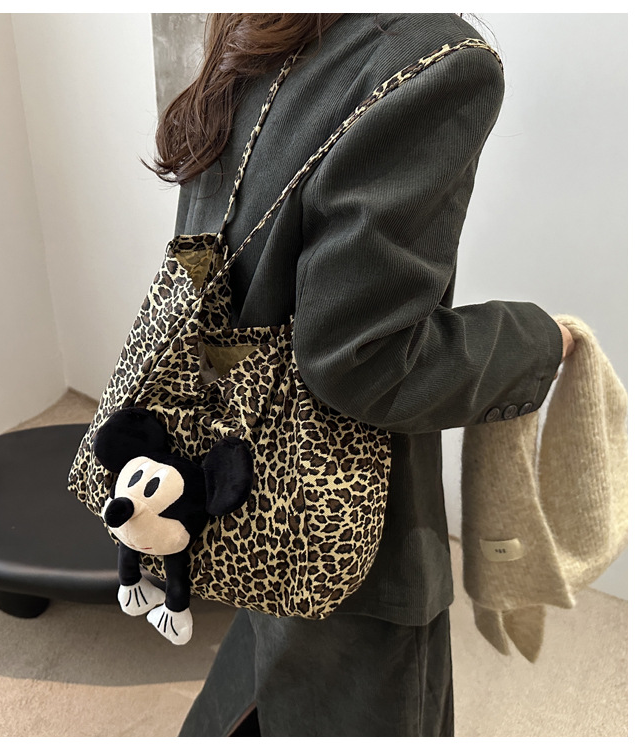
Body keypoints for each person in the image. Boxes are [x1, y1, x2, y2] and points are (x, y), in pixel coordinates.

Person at [145, 13, 575, 737]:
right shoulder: (438, 59)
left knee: (272, 671)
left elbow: (209, 274)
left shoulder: (259, 29)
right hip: (346, 517)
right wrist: (537, 343)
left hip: (240, 456)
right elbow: (363, 361)